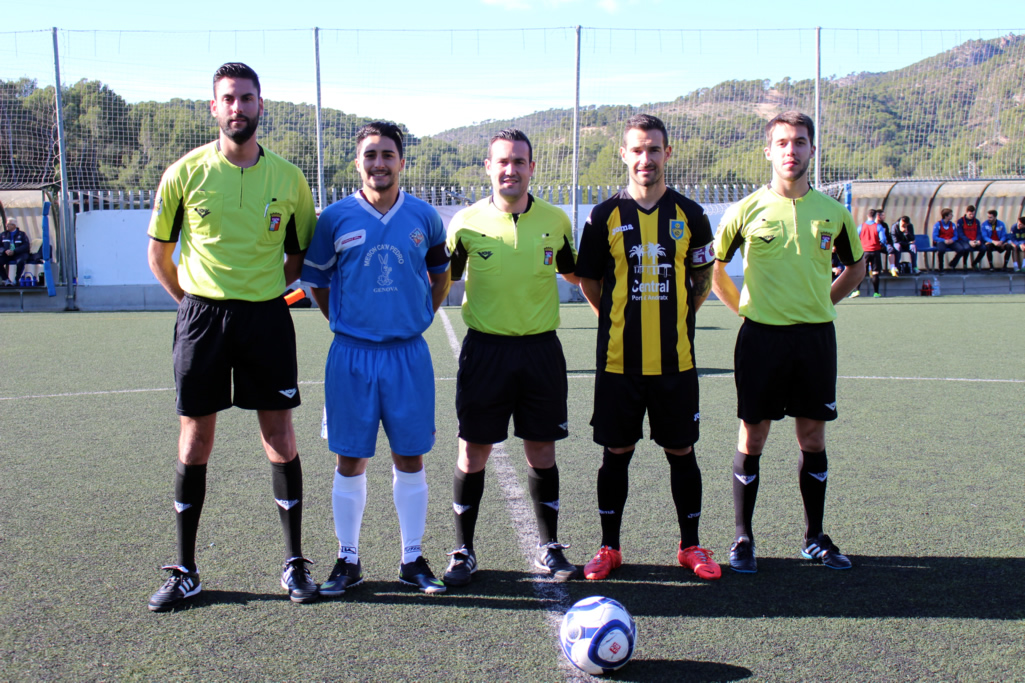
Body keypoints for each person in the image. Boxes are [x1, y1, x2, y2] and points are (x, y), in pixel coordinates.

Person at [146, 63, 318, 611]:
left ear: (261, 105)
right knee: (195, 438)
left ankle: (294, 563)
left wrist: (260, 291)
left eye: (246, 98)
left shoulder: (289, 179)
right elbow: (159, 254)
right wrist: (191, 304)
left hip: (266, 317)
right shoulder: (184, 173)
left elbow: (298, 257)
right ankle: (185, 569)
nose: (238, 107)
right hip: (202, 318)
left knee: (280, 435)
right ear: (214, 107)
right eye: (228, 99)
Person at [711, 111, 865, 574]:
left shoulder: (833, 212)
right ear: (768, 151)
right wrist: (745, 311)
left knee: (812, 436)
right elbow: (715, 270)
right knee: (753, 436)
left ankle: (814, 537)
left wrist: (823, 301)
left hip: (815, 339)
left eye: (799, 142)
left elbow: (856, 268)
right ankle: (743, 538)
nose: (791, 150)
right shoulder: (745, 210)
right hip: (761, 339)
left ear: (812, 149)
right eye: (782, 142)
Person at [301, 121, 452, 595]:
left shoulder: (424, 217)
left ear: (401, 161)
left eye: (388, 154)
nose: (379, 163)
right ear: (358, 162)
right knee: (350, 458)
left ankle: (412, 558)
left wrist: (421, 313)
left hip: (408, 354)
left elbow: (440, 275)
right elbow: (318, 284)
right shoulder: (335, 218)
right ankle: (348, 559)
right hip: (352, 355)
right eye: (370, 154)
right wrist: (346, 321)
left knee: (410, 456)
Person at [573, 114, 720, 582]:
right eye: (636, 149)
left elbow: (702, 279)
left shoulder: (691, 215)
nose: (645, 158)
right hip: (618, 362)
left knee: (681, 450)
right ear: (623, 154)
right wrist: (616, 319)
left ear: (667, 153)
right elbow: (590, 282)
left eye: (654, 149)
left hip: (676, 361)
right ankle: (609, 547)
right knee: (616, 451)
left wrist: (680, 315)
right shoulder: (602, 216)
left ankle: (690, 545)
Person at [442, 129, 581, 586]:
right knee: (473, 451)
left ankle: (549, 546)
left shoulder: (556, 221)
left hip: (541, 350)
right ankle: (463, 550)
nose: (510, 170)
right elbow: (444, 279)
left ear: (531, 168)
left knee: (541, 448)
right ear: (488, 167)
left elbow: (574, 272)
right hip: (485, 350)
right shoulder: (465, 223)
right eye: (502, 161)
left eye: (519, 161)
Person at [859, 209, 883, 297]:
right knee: (875, 272)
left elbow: (856, 237)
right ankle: (876, 292)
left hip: (864, 251)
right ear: (876, 216)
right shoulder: (878, 226)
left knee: (862, 271)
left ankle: (857, 290)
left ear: (867, 216)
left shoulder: (861, 226)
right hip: (875, 251)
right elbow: (883, 239)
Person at [0, 219, 31, 286]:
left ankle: (16, 279)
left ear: (14, 225)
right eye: (6, 224)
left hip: (18, 254)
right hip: (6, 254)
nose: (7, 226)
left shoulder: (22, 234)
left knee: (20, 261)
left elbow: (25, 246)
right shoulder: (3, 234)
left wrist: (15, 251)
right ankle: (6, 280)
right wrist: (5, 251)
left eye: (8, 224)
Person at [956, 205, 985, 271]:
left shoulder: (976, 221)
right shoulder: (960, 221)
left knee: (984, 248)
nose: (972, 216)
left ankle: (975, 263)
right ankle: (965, 264)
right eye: (970, 214)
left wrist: (978, 240)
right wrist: (969, 241)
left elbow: (978, 232)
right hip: (964, 241)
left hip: (974, 240)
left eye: (973, 214)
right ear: (966, 212)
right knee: (967, 248)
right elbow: (960, 233)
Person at [875, 209, 899, 277]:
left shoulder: (884, 225)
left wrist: (889, 242)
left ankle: (892, 268)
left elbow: (888, 236)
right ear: (878, 216)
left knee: (891, 249)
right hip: (875, 244)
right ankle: (873, 269)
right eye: (883, 215)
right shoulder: (873, 225)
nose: (884, 217)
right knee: (873, 251)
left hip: (884, 244)